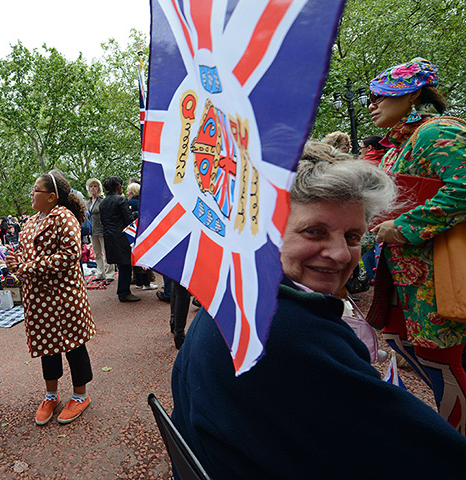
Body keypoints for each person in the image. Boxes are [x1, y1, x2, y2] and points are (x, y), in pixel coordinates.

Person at [172, 147, 466, 478]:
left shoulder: (231, 298)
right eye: (315, 231)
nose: (341, 254)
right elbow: (432, 457)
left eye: (353, 236)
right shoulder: (287, 333)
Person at [365, 57, 466, 434]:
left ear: (410, 95)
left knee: (446, 362)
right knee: (417, 352)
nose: (372, 105)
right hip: (407, 281)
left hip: (442, 277)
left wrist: (404, 227)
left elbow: (464, 187)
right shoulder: (394, 147)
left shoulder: (436, 132)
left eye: (379, 96)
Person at [6, 171, 96, 426]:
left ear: (52, 197)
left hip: (64, 297)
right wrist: (16, 262)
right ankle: (51, 395)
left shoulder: (64, 217)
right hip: (39, 300)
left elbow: (69, 255)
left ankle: (80, 396)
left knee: (73, 345)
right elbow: (25, 255)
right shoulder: (31, 222)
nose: (32, 194)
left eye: (36, 190)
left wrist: (27, 267)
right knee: (48, 347)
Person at [99, 176, 139, 302]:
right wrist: (135, 215)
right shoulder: (120, 199)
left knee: (121, 264)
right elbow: (128, 220)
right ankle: (124, 293)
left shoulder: (103, 202)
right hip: (121, 235)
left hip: (109, 235)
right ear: (118, 187)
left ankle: (122, 291)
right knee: (126, 264)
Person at [85, 178, 114, 282]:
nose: (93, 188)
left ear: (99, 188)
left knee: (106, 252)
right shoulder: (88, 202)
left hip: (102, 229)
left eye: (95, 186)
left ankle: (109, 274)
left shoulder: (103, 200)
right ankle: (100, 273)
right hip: (92, 231)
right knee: (97, 253)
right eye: (91, 186)